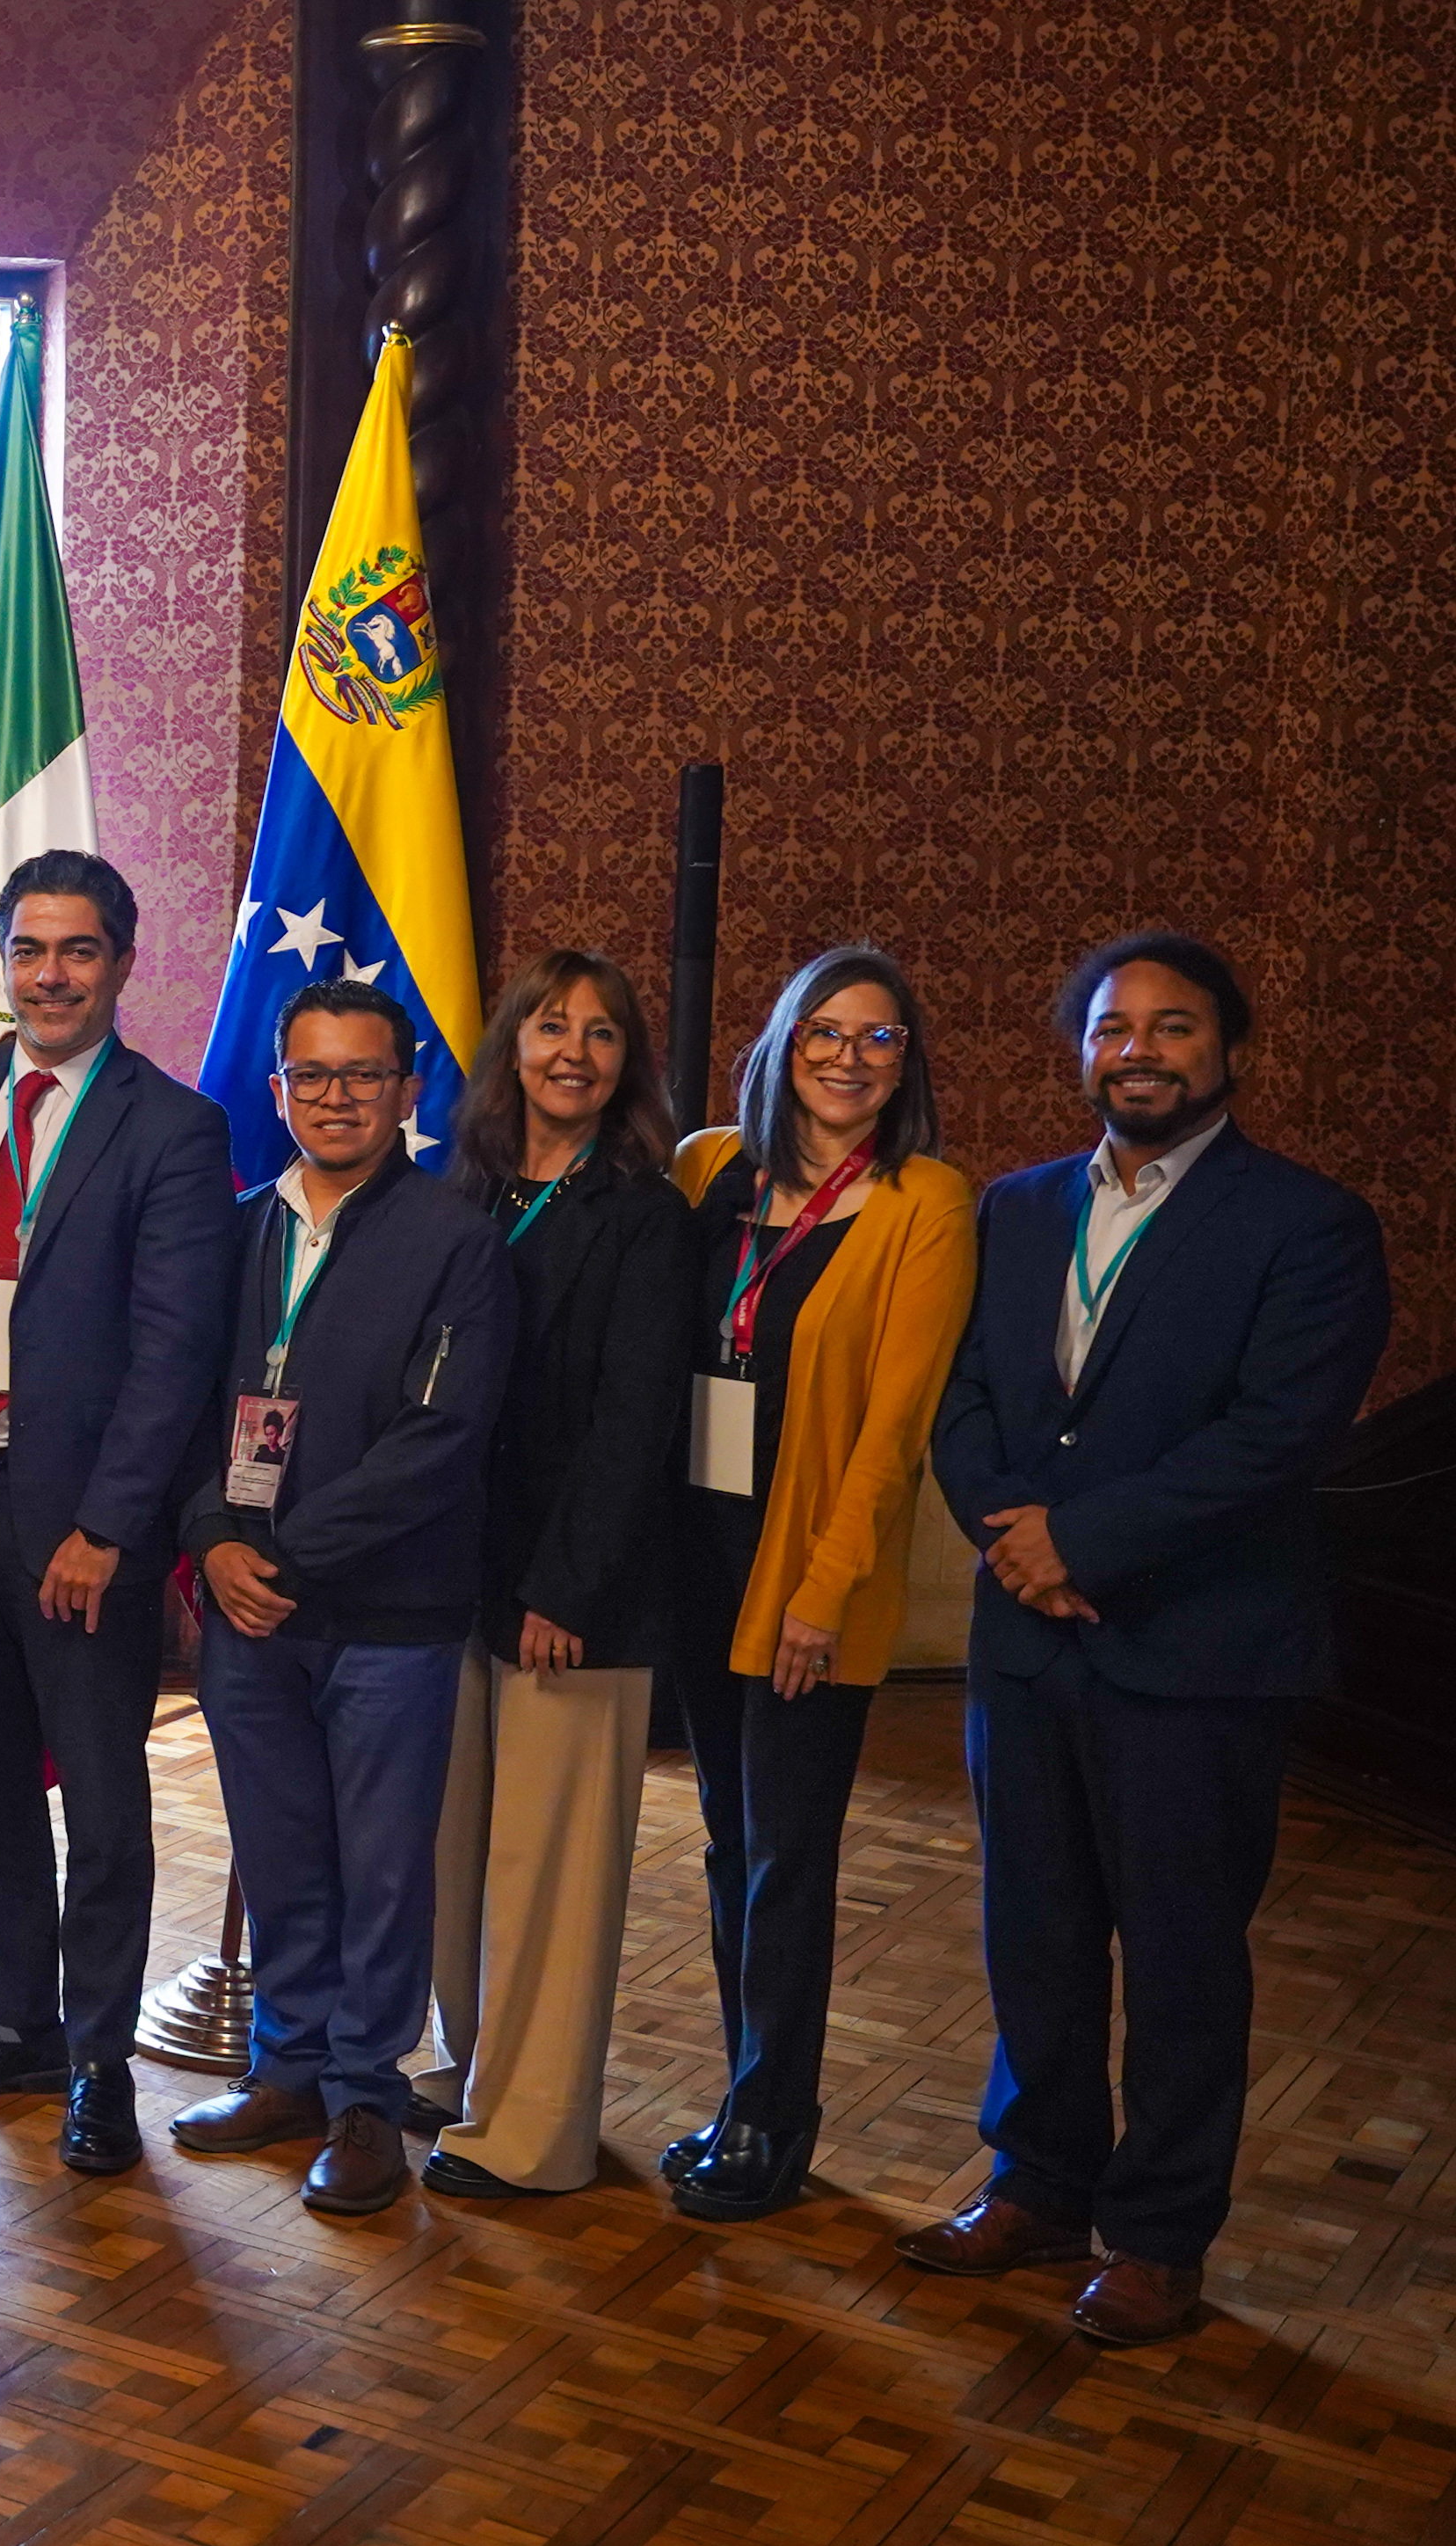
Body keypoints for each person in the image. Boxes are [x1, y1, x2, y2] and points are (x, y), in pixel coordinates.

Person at [913, 933, 1389, 2346]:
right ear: (1084, 1052)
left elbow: (1278, 1435)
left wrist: (1086, 1543)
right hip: (1029, 1647)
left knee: (1183, 1956)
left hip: (1197, 1655)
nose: (1141, 1050)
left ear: (1229, 1050)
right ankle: (1040, 2182)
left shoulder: (1308, 1225)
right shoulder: (1014, 1207)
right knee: (1034, 1937)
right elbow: (970, 1402)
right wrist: (1017, 1536)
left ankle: (1161, 2234)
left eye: (1175, 1027)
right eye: (1115, 1027)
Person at [0, 850, 237, 2175]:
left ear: (122, 962)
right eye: (29, 949)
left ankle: (99, 2059)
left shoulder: (174, 1126)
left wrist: (110, 1523)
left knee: (99, 1797)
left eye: (78, 951)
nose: (50, 975)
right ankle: (20, 2017)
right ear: (4, 958)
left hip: (80, 1518)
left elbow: (174, 1349)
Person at [164, 982, 513, 2218]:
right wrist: (210, 1535)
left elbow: (441, 1438)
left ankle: (366, 2096)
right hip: (245, 1611)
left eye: (363, 1074)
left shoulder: (456, 1237)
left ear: (408, 1089)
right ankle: (287, 2068)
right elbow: (181, 1401)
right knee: (279, 1852)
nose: (337, 1096)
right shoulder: (236, 1227)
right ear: (277, 1092)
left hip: (387, 1616)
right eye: (312, 1075)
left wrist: (286, 1554)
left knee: (380, 1866)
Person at [657, 944, 976, 2221]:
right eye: (825, 1032)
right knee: (729, 1844)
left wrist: (826, 1591)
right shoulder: (705, 1168)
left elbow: (897, 1430)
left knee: (790, 1851)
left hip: (803, 1575)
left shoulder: (928, 1202)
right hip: (693, 1555)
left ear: (909, 1061)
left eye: (881, 1036)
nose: (850, 1056)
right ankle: (742, 2089)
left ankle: (778, 2120)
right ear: (784, 1043)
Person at [421, 952, 694, 2201]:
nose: (572, 1050)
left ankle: (532, 2132)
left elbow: (639, 1423)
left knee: (550, 1872)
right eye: (549, 1025)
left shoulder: (646, 1214)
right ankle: (473, 2068)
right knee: (460, 1853)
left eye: (600, 1032)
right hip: (453, 1577)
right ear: (510, 1047)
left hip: (570, 1595)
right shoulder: (460, 1191)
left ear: (627, 1061)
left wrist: (567, 1588)